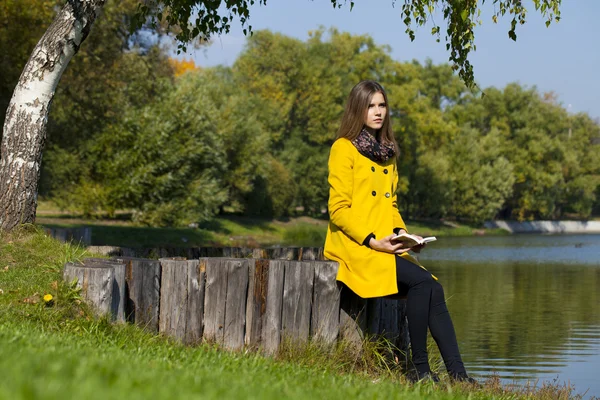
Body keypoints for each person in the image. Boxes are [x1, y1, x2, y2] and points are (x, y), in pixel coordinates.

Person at [324, 80, 476, 384]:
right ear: (358, 109)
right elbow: (338, 209)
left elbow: (390, 205)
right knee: (422, 284)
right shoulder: (344, 148)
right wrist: (372, 240)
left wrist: (404, 235)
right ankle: (420, 370)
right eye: (371, 106)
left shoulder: (388, 153)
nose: (378, 112)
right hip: (357, 247)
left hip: (386, 245)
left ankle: (459, 375)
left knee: (434, 287)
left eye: (382, 105)